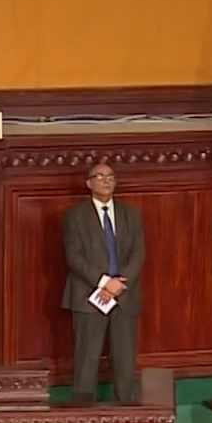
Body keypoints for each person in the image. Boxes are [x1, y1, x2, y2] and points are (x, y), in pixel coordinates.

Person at [61, 162, 144, 404]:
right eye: (100, 176)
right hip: (88, 297)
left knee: (125, 361)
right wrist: (105, 283)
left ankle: (127, 414)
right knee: (86, 362)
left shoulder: (131, 214)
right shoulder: (74, 216)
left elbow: (138, 254)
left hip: (124, 296)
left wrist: (117, 285)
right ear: (89, 183)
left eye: (110, 176)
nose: (106, 180)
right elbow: (74, 257)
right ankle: (83, 415)